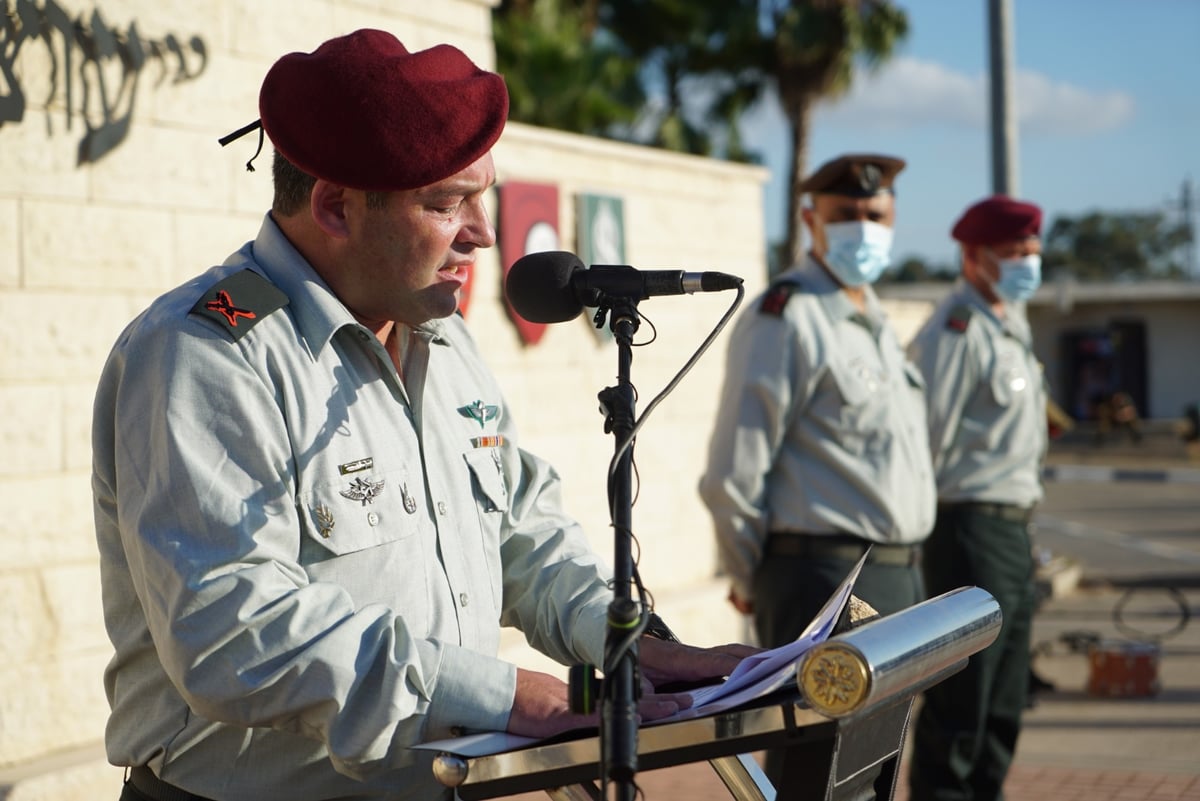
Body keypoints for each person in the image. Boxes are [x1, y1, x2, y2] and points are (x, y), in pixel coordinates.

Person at [92, 29, 750, 801]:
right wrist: (505, 696)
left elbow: (521, 533)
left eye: (484, 196)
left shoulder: (441, 335)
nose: (482, 231)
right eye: (447, 203)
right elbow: (234, 628)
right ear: (337, 206)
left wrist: (626, 640)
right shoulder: (208, 353)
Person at [698, 153, 937, 787]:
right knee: (823, 774)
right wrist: (753, 575)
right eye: (847, 215)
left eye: (875, 215)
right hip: (825, 581)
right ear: (811, 220)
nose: (864, 227)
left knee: (874, 771)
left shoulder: (875, 322)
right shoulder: (789, 316)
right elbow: (733, 473)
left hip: (897, 577)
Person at [906, 195, 1048, 801]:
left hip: (1012, 531)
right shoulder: (956, 330)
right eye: (1014, 253)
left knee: (1004, 701)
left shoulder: (1008, 324)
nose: (1027, 263)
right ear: (973, 257)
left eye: (1032, 252)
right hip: (967, 530)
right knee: (963, 704)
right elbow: (925, 439)